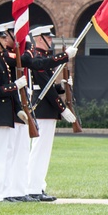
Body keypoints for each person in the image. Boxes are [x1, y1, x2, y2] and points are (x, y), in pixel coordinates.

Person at [23, 25, 77, 202]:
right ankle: (32, 188)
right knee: (39, 150)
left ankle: (38, 186)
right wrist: (63, 108)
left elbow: (52, 86)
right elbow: (46, 90)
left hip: (47, 108)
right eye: (48, 37)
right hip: (43, 108)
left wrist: (63, 85)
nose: (51, 40)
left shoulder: (44, 57)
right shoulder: (37, 58)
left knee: (43, 151)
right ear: (39, 38)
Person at [0, 21, 31, 202]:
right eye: (2, 36)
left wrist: (18, 110)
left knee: (7, 154)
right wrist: (14, 86)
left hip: (7, 113)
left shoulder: (1, 59)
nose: (5, 38)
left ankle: (4, 192)